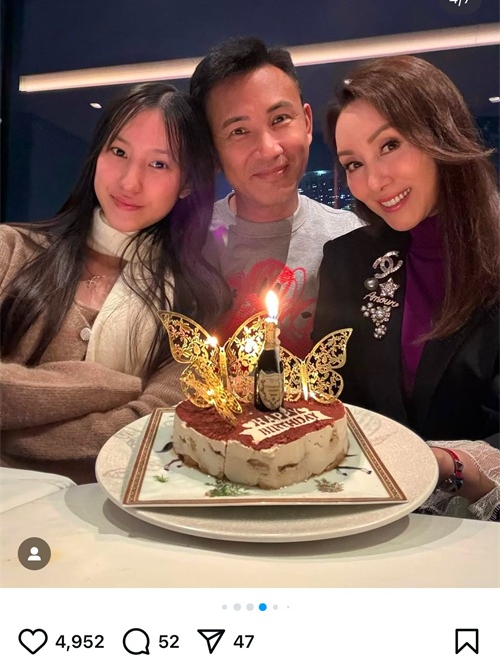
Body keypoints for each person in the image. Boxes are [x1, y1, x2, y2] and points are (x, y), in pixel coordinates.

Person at [0, 82, 231, 482]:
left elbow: (153, 425)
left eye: (159, 164)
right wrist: (112, 387)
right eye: (119, 152)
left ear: (187, 184)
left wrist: (10, 435)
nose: (128, 182)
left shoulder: (197, 303)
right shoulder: (11, 250)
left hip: (111, 510)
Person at [313, 55, 499, 520]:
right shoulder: (348, 261)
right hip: (363, 515)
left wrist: (444, 465)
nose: (374, 181)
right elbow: (329, 395)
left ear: (441, 132)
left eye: (390, 145)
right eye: (353, 164)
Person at [190, 36, 360, 359]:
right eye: (239, 131)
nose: (269, 149)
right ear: (213, 152)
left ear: (306, 122)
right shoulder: (189, 245)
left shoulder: (353, 238)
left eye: (280, 119)